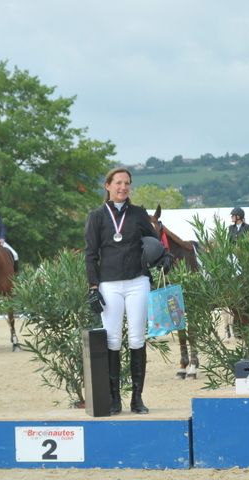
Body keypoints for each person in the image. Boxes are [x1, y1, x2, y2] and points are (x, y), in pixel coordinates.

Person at [85, 167, 166, 415]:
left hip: (136, 282)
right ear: (108, 186)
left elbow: (154, 242)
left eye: (127, 183)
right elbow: (90, 255)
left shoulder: (139, 213)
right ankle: (114, 399)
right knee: (112, 340)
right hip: (109, 284)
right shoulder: (97, 216)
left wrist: (164, 257)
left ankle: (137, 399)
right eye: (118, 183)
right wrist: (93, 286)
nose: (123, 187)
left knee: (136, 338)